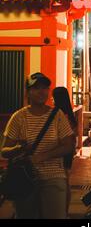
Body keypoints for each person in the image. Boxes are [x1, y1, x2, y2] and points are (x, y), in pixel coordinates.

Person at [1, 73, 75, 219]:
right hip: (25, 178)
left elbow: (69, 146)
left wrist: (42, 156)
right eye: (36, 88)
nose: (42, 92)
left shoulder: (57, 115)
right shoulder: (19, 117)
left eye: (45, 88)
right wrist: (18, 149)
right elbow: (4, 151)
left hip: (53, 176)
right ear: (28, 92)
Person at [52, 86, 78, 216]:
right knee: (66, 180)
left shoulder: (58, 113)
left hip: (60, 150)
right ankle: (65, 211)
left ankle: (62, 211)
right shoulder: (70, 112)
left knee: (62, 182)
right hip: (69, 150)